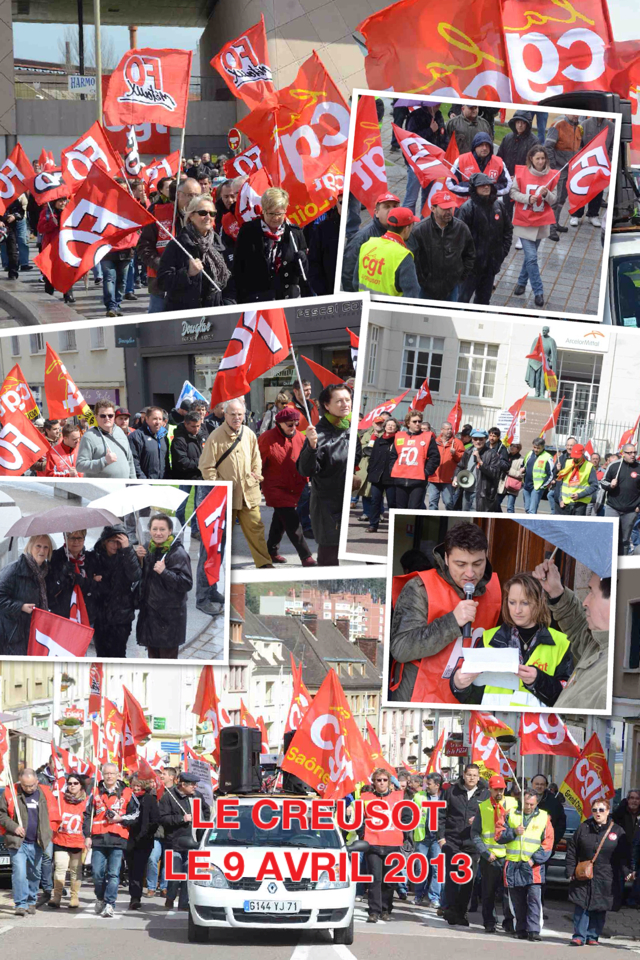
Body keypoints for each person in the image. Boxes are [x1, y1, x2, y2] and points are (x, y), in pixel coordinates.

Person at [389, 523, 501, 703]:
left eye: (478, 564)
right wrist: (452, 622)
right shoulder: (420, 588)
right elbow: (401, 649)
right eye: (461, 564)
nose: (470, 573)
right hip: (419, 699)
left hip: (466, 699)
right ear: (447, 558)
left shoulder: (495, 589)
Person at [451, 572, 572, 708]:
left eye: (525, 603)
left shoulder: (562, 642)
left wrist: (538, 681)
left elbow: (568, 699)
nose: (517, 610)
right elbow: (474, 698)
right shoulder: (488, 638)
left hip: (538, 728)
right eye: (512, 602)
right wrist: (458, 685)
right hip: (494, 726)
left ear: (539, 603)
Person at [199, 398, 272, 569]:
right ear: (225, 414)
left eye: (240, 414)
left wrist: (256, 476)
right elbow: (206, 466)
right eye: (232, 414)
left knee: (256, 531)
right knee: (221, 535)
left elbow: (257, 458)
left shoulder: (248, 433)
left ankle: (264, 564)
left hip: (249, 494)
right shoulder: (215, 436)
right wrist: (218, 486)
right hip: (226, 497)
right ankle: (218, 569)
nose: (237, 417)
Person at [533, 557, 610, 712]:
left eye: (592, 593)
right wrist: (555, 591)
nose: (585, 602)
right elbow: (577, 627)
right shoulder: (598, 641)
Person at [297, 384, 356, 566]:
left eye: (347, 400)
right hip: (327, 507)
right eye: (339, 401)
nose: (345, 404)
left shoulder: (351, 428)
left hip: (349, 504)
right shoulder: (318, 434)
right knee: (329, 558)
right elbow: (305, 470)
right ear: (327, 405)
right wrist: (311, 447)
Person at [567, 798, 634, 946]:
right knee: (581, 904)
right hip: (584, 873)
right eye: (595, 810)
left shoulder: (617, 830)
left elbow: (623, 856)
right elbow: (572, 849)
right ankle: (579, 936)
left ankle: (593, 936)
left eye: (601, 810)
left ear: (608, 811)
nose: (598, 813)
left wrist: (627, 872)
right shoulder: (583, 827)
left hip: (606, 875)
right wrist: (570, 869)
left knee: (600, 906)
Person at [258, 407, 316, 566]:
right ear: (280, 423)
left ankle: (271, 550)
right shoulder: (266, 438)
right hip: (275, 486)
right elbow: (257, 464)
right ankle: (306, 556)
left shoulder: (301, 437)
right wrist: (255, 484)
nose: (294, 428)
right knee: (292, 521)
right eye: (290, 425)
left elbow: (306, 459)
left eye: (296, 424)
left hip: (296, 485)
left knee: (280, 519)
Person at [233, 187, 311, 302]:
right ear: (263, 210)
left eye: (279, 213)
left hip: (287, 298)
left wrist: (302, 259)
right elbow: (238, 269)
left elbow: (303, 273)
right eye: (270, 213)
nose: (275, 218)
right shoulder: (248, 231)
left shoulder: (295, 233)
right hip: (258, 298)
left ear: (285, 210)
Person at [496, 789, 554, 941]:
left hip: (533, 865)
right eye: (527, 804)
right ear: (522, 801)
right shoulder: (510, 814)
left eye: (532, 804)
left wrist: (535, 859)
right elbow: (499, 835)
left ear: (537, 803)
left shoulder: (543, 817)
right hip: (513, 863)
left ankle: (534, 930)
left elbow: (548, 843)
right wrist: (514, 832)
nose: (529, 807)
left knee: (534, 898)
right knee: (517, 900)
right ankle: (520, 928)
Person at [157, 193, 232, 311]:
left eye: (212, 213)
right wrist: (187, 273)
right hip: (185, 316)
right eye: (203, 213)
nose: (208, 217)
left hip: (215, 314)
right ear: (191, 216)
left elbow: (229, 281)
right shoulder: (177, 245)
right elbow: (162, 282)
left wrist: (227, 304)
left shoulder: (219, 244)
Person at [137, 177, 202, 312]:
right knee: (158, 327)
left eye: (197, 195)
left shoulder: (204, 216)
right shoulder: (158, 213)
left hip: (194, 283)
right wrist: (163, 266)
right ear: (178, 194)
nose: (193, 199)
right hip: (161, 284)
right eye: (189, 195)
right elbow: (144, 246)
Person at [84, 763, 139, 918]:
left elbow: (136, 813)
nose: (109, 776)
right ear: (102, 774)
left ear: (117, 775)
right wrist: (87, 835)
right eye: (106, 773)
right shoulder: (95, 791)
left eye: (112, 773)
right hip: (99, 838)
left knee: (114, 874)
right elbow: (87, 815)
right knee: (97, 873)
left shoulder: (127, 792)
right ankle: (100, 898)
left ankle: (110, 903)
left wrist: (120, 818)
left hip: (117, 838)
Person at [134, 513, 193, 659]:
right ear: (149, 530)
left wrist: (164, 572)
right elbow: (143, 578)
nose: (158, 533)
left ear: (170, 531)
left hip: (169, 620)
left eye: (162, 529)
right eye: (154, 529)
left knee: (167, 663)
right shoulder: (149, 548)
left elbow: (186, 583)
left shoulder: (178, 554)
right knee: (152, 659)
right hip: (151, 616)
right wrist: (139, 559)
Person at [437, 764, 488, 926]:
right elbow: (440, 814)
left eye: (475, 775)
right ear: (464, 775)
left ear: (479, 777)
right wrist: (441, 838)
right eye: (469, 775)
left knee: (468, 881)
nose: (472, 778)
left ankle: (461, 912)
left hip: (473, 843)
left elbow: (492, 817)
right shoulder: (451, 791)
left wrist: (480, 821)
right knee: (452, 878)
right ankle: (451, 910)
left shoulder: (485, 794)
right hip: (452, 842)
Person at [0, 768, 54, 916]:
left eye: (31, 785)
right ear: (20, 782)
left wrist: (48, 834)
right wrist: (14, 827)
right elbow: (1, 814)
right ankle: (20, 904)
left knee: (34, 873)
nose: (29, 789)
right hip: (18, 842)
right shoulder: (10, 793)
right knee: (19, 872)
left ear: (37, 781)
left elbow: (54, 814)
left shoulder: (45, 793)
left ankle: (31, 901)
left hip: (37, 841)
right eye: (25, 786)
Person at [510, 145, 558, 307]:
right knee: (531, 257)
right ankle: (538, 291)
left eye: (543, 158)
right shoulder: (522, 173)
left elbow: (554, 200)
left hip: (540, 223)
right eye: (537, 158)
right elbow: (513, 192)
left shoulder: (552, 176)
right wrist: (526, 198)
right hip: (524, 221)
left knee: (530, 258)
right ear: (531, 159)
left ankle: (521, 283)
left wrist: (546, 194)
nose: (540, 161)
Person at [456, 172, 513, 304]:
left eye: (488, 184)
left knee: (483, 301)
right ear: (474, 188)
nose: (486, 187)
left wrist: (502, 252)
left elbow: (508, 230)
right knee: (462, 299)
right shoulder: (467, 209)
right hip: (471, 268)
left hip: (490, 265)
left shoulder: (499, 206)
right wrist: (467, 261)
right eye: (481, 185)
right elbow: (459, 239)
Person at [409, 190, 475, 302]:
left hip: (451, 289)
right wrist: (423, 281)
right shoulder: (419, 231)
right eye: (444, 208)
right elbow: (412, 261)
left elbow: (470, 255)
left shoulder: (461, 228)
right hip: (425, 290)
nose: (449, 211)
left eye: (451, 208)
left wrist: (459, 278)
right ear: (433, 208)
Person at [158, 770, 211, 911]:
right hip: (174, 843)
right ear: (182, 784)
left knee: (189, 875)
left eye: (195, 784)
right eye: (192, 784)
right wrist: (182, 819)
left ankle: (183, 904)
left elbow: (206, 810)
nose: (195, 787)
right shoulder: (168, 797)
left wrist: (202, 823)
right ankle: (170, 897)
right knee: (175, 875)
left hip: (193, 842)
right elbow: (162, 818)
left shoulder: (197, 796)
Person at [471, 774, 518, 933]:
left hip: (509, 856)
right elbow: (475, 833)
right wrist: (485, 853)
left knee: (508, 893)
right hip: (490, 857)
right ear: (490, 789)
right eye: (496, 789)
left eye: (502, 789)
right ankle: (489, 922)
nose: (499, 792)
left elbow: (517, 826)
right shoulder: (483, 807)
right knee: (488, 892)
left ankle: (509, 922)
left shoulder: (513, 804)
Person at [91, 524, 142, 658]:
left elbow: (135, 576)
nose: (115, 545)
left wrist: (127, 549)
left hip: (121, 617)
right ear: (104, 542)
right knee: (101, 654)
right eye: (111, 541)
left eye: (119, 541)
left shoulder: (126, 556)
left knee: (118, 655)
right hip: (101, 616)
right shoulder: (95, 556)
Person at [362, 768, 405, 923]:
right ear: (373, 782)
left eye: (384, 780)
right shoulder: (366, 797)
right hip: (372, 845)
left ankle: (386, 909)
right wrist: (362, 835)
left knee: (389, 880)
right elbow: (360, 818)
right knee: (375, 879)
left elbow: (406, 817)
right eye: (378, 780)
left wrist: (404, 836)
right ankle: (373, 911)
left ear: (389, 782)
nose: (381, 783)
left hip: (392, 844)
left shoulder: (399, 797)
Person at [0, 534, 54, 656]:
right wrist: (21, 606)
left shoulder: (45, 572)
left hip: (36, 632)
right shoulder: (15, 569)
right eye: (38, 546)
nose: (42, 551)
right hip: (14, 635)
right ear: (30, 547)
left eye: (46, 547)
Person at [341, 193, 401, 292]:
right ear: (376, 212)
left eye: (395, 206)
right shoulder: (361, 239)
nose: (391, 210)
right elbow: (348, 273)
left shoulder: (404, 231)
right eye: (386, 207)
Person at [356, 206, 421, 297]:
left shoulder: (367, 245)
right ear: (406, 229)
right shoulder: (403, 256)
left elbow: (355, 281)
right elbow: (412, 295)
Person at [48, 773, 89, 910]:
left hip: (78, 841)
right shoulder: (60, 799)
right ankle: (57, 897)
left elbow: (89, 820)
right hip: (61, 838)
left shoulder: (87, 801)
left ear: (81, 785)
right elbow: (52, 812)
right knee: (60, 867)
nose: (72, 786)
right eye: (70, 783)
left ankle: (74, 896)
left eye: (75, 783)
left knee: (75, 870)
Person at [388, 410, 440, 509]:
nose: (418, 424)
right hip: (400, 478)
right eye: (414, 421)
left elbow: (435, 457)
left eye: (419, 421)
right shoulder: (400, 436)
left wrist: (426, 472)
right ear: (408, 423)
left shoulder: (427, 437)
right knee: (400, 509)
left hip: (418, 480)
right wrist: (392, 469)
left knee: (414, 509)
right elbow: (393, 456)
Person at [402, 102, 448, 213]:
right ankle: (405, 223)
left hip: (432, 163)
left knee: (428, 198)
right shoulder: (415, 116)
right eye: (435, 102)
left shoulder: (438, 116)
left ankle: (424, 224)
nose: (438, 104)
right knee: (411, 198)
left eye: (439, 102)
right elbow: (410, 139)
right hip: (417, 163)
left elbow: (443, 137)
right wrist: (430, 130)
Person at [46, 529, 100, 624]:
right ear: (65, 538)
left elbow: (97, 588)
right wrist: (62, 575)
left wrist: (83, 582)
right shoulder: (55, 557)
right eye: (72, 538)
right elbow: (50, 590)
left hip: (86, 616)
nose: (76, 542)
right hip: (62, 617)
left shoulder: (91, 558)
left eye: (79, 538)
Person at [76, 399, 137, 479]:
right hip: (100, 489)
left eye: (110, 415)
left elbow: (129, 460)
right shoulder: (89, 437)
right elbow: (80, 466)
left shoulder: (120, 432)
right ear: (96, 417)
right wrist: (104, 461)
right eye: (103, 416)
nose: (107, 418)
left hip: (123, 487)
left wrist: (133, 482)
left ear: (114, 416)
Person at [497, 111, 540, 223]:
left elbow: (534, 165)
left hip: (524, 184)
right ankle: (506, 234)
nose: (520, 125)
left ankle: (522, 237)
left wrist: (518, 177)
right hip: (508, 181)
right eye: (518, 122)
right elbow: (499, 159)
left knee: (523, 212)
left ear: (528, 125)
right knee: (506, 211)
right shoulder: (507, 138)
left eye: (523, 123)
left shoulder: (534, 142)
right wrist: (504, 176)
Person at [544, 114, 582, 239]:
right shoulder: (558, 125)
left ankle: (555, 223)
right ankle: (550, 228)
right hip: (559, 169)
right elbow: (548, 147)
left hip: (570, 170)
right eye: (573, 113)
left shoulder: (578, 128)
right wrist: (554, 166)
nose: (576, 115)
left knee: (562, 199)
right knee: (556, 198)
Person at [447, 133, 511, 200]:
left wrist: (489, 189)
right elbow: (450, 183)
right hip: (465, 206)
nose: (484, 148)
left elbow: (507, 185)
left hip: (490, 206)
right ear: (475, 146)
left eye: (487, 145)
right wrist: (474, 189)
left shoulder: (499, 162)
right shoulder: (461, 160)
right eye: (481, 145)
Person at [126, 775, 159, 910]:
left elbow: (155, 820)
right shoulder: (128, 799)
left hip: (144, 841)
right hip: (128, 839)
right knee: (131, 868)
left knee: (138, 869)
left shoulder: (150, 799)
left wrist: (147, 833)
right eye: (134, 785)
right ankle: (133, 894)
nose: (136, 787)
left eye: (139, 785)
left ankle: (135, 897)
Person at [601, 443, 640, 554]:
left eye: (634, 452)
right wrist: (610, 485)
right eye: (630, 453)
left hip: (631, 511)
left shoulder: (639, 467)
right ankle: (607, 564)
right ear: (623, 454)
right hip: (613, 508)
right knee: (610, 537)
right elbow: (603, 482)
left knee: (624, 540)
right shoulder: (614, 466)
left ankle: (621, 565)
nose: (633, 455)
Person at [363, 417, 400, 533]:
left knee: (392, 502)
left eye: (393, 425)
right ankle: (373, 525)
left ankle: (395, 526)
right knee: (375, 501)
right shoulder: (378, 440)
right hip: (377, 475)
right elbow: (372, 457)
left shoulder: (398, 441)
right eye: (388, 424)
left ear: (396, 428)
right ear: (384, 426)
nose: (390, 427)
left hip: (391, 477)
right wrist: (370, 470)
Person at [413, 772, 444, 908]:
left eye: (429, 784)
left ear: (437, 785)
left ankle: (434, 898)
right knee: (421, 868)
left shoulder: (444, 798)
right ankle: (418, 895)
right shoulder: (419, 796)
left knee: (437, 868)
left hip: (438, 839)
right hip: (422, 837)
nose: (426, 786)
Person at [453, 429, 502, 512]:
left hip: (481, 493)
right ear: (472, 439)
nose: (478, 441)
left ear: (485, 439)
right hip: (466, 490)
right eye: (475, 439)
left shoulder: (492, 454)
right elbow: (460, 466)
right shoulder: (468, 451)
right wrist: (455, 477)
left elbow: (495, 473)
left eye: (481, 439)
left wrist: (480, 461)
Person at [308, 194, 342, 294]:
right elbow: (314, 262)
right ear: (336, 203)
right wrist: (321, 291)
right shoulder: (323, 228)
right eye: (341, 202)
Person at [556, 443, 599, 516]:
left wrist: (580, 495)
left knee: (576, 526)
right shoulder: (568, 463)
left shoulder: (589, 467)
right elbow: (562, 482)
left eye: (577, 457)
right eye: (574, 457)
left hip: (580, 504)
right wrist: (560, 499)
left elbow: (594, 486)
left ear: (582, 455)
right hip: (566, 503)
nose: (575, 459)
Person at [128, 406, 171, 479]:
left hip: (162, 484)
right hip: (144, 485)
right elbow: (134, 462)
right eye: (154, 419)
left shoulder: (163, 437)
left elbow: (166, 462)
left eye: (160, 419)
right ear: (147, 419)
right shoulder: (136, 436)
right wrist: (143, 480)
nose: (158, 422)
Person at [531, 774, 567, 851]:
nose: (539, 786)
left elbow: (561, 823)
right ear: (532, 784)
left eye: (542, 784)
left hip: (546, 847)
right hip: (526, 845)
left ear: (546, 786)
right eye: (537, 784)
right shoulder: (524, 798)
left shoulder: (554, 801)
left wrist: (553, 840)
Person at [170, 412, 207, 480]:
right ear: (186, 424)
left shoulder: (203, 436)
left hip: (202, 478)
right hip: (186, 480)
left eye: (198, 426)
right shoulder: (179, 440)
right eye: (193, 426)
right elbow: (182, 463)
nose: (196, 429)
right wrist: (202, 462)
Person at [522, 438, 553, 514]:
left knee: (532, 510)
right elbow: (524, 465)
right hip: (526, 485)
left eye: (538, 448)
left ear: (543, 447)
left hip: (537, 487)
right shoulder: (529, 454)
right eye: (534, 447)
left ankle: (530, 524)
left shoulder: (548, 457)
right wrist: (522, 470)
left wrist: (543, 486)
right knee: (527, 508)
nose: (536, 450)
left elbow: (551, 474)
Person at [498, 443, 525, 514]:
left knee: (510, 507)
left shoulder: (521, 460)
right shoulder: (505, 456)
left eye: (514, 446)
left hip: (513, 485)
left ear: (518, 449)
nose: (512, 447)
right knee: (496, 503)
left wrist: (508, 470)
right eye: (511, 446)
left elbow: (521, 474)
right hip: (502, 484)